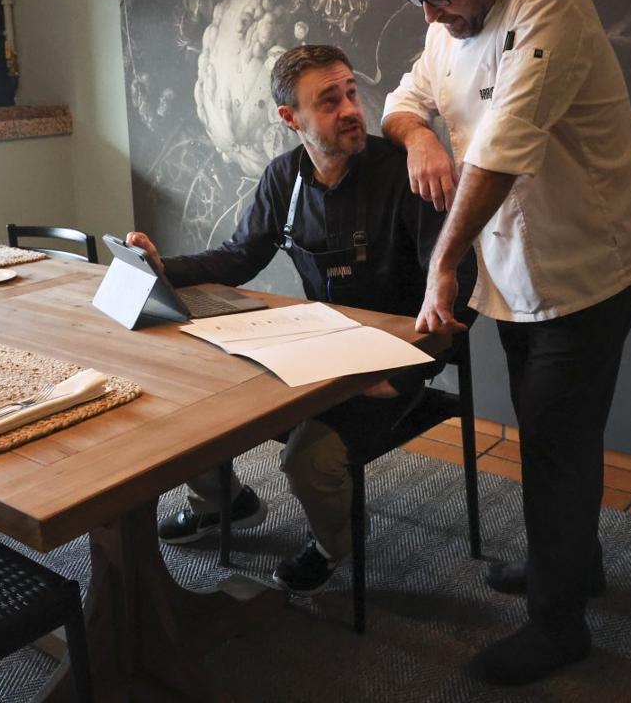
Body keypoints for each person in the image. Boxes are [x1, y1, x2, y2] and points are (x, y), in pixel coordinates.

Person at [381, 0, 631, 685]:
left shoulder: (549, 2)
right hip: (515, 268)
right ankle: (573, 567)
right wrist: (419, 140)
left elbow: (503, 149)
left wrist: (441, 264)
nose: (429, 16)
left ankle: (558, 624)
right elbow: (404, 99)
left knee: (552, 444)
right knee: (562, 435)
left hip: (587, 267)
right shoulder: (447, 29)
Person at [129, 43, 475, 594]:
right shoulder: (282, 178)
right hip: (317, 349)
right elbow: (239, 256)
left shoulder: (401, 174)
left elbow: (461, 281)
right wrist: (162, 267)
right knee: (193, 401)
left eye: (351, 93)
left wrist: (407, 371)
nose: (351, 110)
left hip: (395, 360)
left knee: (307, 459)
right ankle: (223, 505)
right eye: (329, 100)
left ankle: (332, 547)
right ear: (291, 119)